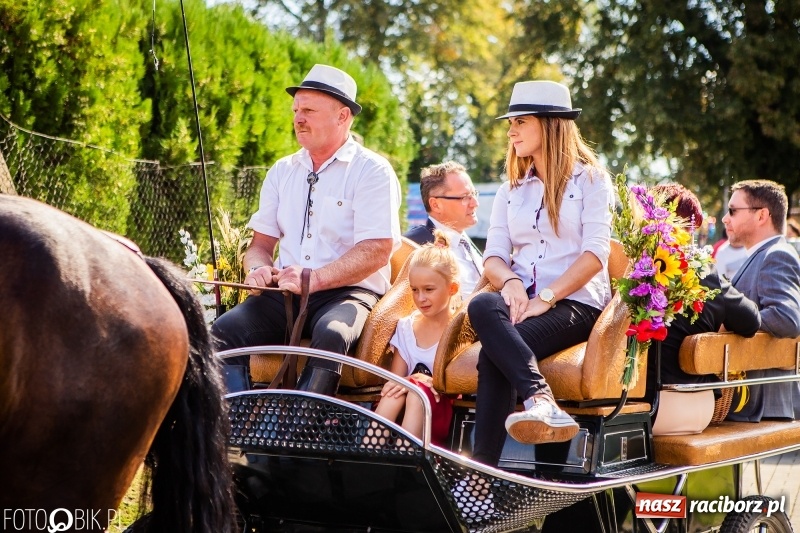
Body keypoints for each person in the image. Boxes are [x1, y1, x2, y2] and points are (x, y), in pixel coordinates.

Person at [212, 64, 402, 395]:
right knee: (221, 332)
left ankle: (299, 430)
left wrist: (315, 278)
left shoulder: (372, 170)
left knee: (333, 332)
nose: (298, 118)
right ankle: (239, 426)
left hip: (349, 292)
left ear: (343, 116)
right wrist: (257, 269)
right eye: (296, 110)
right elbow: (260, 245)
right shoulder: (282, 170)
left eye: (309, 110)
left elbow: (377, 249)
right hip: (287, 294)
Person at [465, 80, 614, 467]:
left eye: (521, 121)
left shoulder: (592, 181)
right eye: (511, 122)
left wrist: (546, 298)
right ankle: (540, 399)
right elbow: (493, 257)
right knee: (482, 304)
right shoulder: (509, 191)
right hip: (521, 301)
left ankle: (482, 476)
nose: (511, 130)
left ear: (550, 125)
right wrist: (512, 283)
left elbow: (595, 254)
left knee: (492, 357)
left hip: (576, 303)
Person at [645, 184, 761, 436]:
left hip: (648, 409)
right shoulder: (705, 273)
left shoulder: (637, 268)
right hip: (702, 407)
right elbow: (751, 320)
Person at [722, 179, 800, 421]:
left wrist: (730, 323)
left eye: (733, 210)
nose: (726, 218)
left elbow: (786, 318)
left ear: (761, 215)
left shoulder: (775, 254)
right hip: (752, 405)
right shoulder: (764, 254)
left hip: (759, 408)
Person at [373, 231, 458, 445]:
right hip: (407, 402)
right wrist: (412, 381)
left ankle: (408, 459)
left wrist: (428, 383)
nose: (421, 298)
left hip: (439, 407)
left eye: (429, 290)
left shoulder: (458, 329)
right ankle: (369, 452)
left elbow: (457, 386)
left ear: (452, 288)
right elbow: (396, 379)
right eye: (415, 290)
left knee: (416, 392)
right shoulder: (406, 327)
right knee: (394, 393)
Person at [404, 161, 483, 296]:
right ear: (435, 205)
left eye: (474, 194)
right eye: (465, 197)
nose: (475, 203)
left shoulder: (464, 241)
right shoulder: (413, 247)